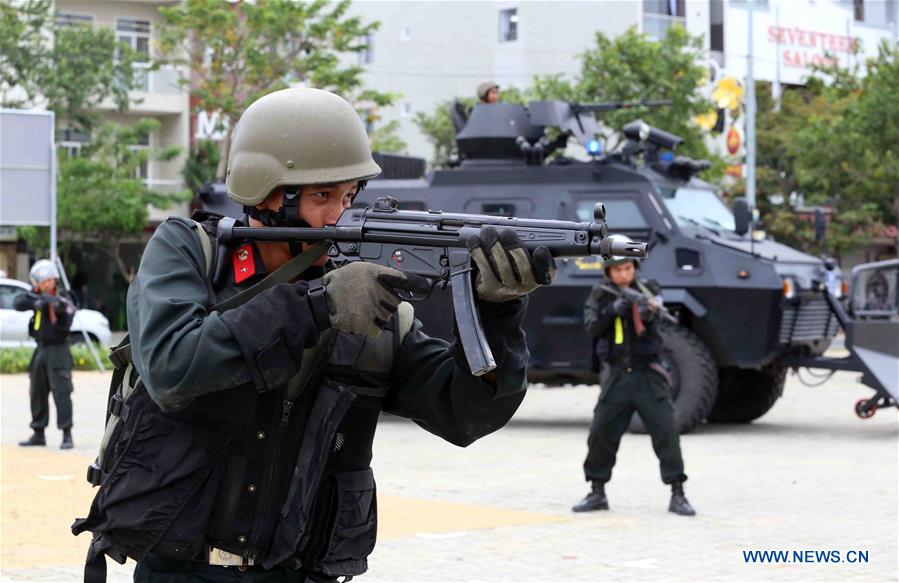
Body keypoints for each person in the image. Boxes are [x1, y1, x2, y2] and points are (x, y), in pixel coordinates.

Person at [73, 87, 555, 582]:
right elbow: (173, 368)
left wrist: (498, 312)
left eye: (348, 195)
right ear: (265, 195)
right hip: (184, 572)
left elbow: (466, 414)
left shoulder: (371, 306)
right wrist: (318, 305)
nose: (340, 215)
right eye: (322, 196)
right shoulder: (192, 254)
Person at [573, 256, 695, 516]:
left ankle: (677, 492)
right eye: (618, 269)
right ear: (609, 271)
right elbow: (591, 327)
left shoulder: (648, 289)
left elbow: (658, 320)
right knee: (600, 433)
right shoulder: (601, 294)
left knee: (667, 432)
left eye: (628, 268)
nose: (624, 274)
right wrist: (612, 310)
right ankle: (597, 491)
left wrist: (647, 313)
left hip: (648, 376)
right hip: (617, 376)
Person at [15, 259, 76, 450]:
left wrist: (53, 303)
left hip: (58, 349)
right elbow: (19, 302)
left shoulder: (63, 296)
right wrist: (38, 301)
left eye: (44, 281)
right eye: (39, 282)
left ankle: (67, 435)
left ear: (51, 279)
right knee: (37, 391)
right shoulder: (37, 296)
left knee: (62, 392)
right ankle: (38, 432)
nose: (41, 285)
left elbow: (68, 309)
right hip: (40, 349)